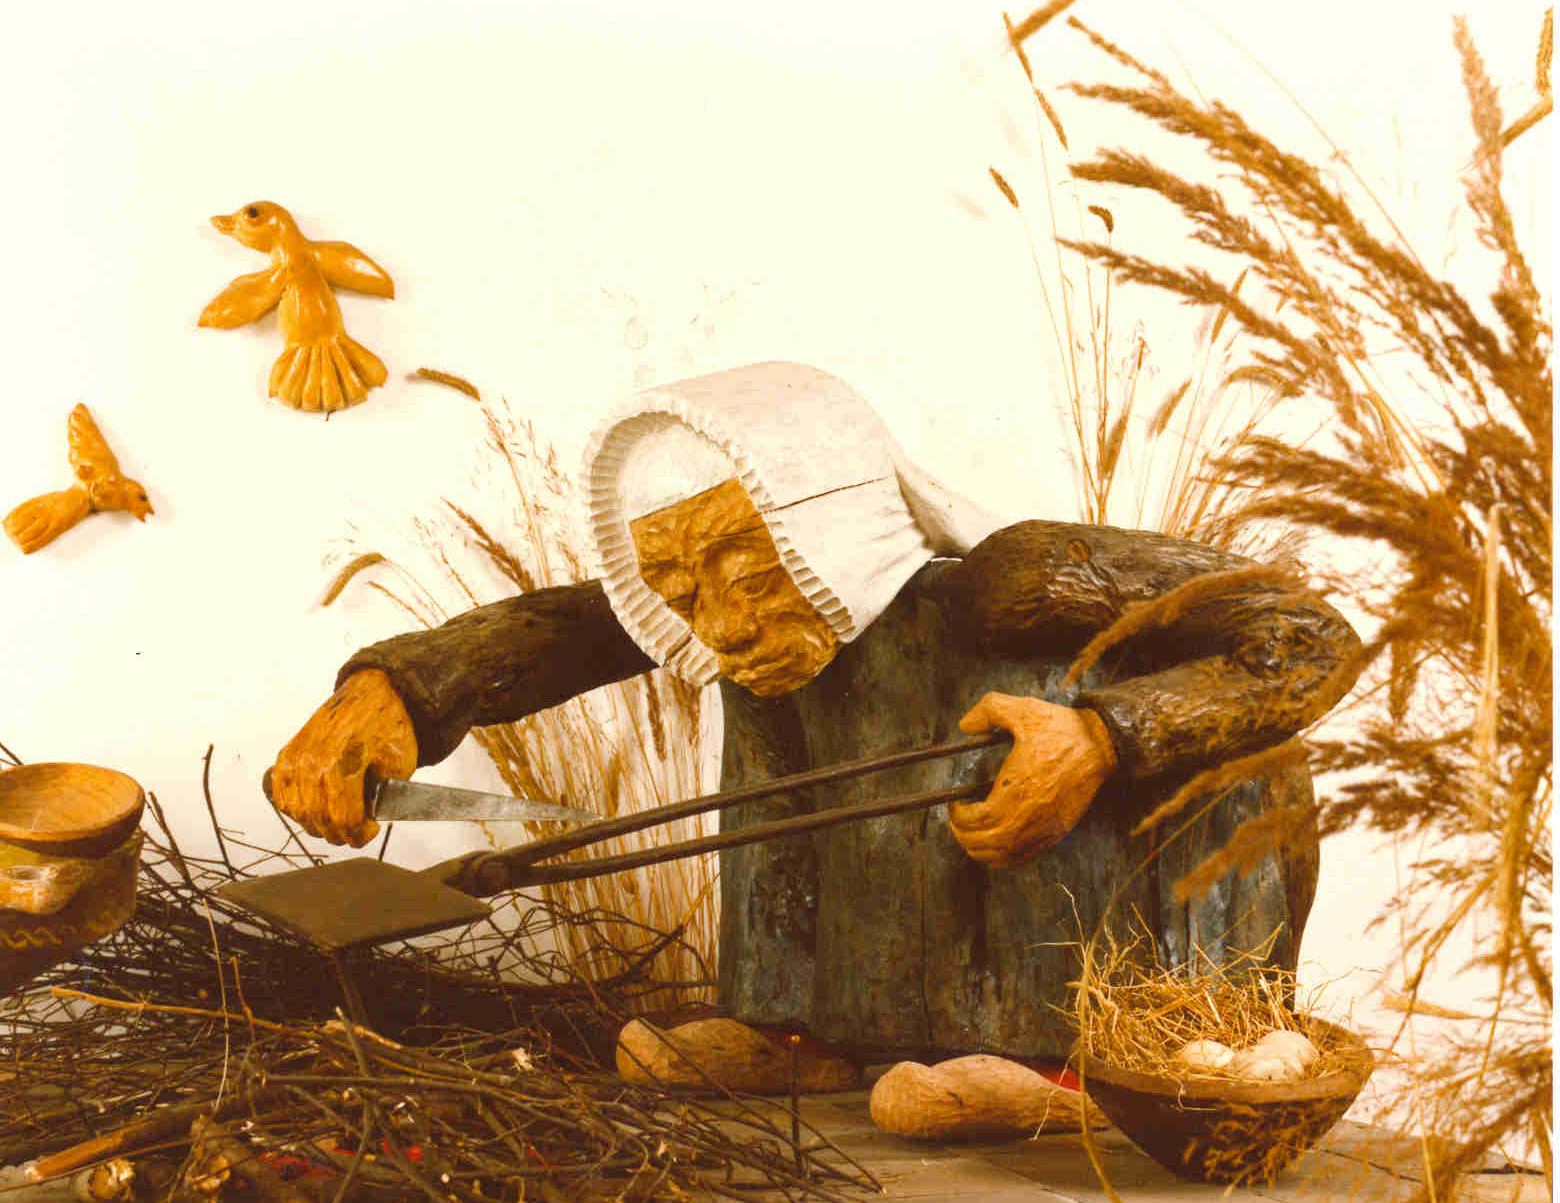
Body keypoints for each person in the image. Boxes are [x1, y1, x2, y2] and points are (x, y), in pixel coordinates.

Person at [269, 362, 1358, 1081]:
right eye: (682, 587)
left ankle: (1072, 1081)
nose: (724, 621)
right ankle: (804, 1033)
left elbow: (1305, 634)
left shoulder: (1016, 581)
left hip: (1111, 973)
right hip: (876, 995)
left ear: (824, 522)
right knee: (761, 690)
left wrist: (1105, 736)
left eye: (750, 567)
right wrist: (398, 693)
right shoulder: (730, 630)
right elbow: (574, 627)